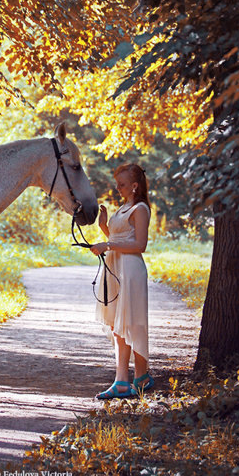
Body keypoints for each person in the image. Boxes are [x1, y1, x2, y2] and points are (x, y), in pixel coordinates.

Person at [90, 163, 154, 399]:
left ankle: (141, 375)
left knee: (132, 322)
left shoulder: (140, 209)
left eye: (122, 184)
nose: (118, 188)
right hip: (115, 268)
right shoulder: (124, 208)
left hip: (131, 270)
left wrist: (107, 245)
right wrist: (105, 227)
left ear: (135, 186)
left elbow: (140, 245)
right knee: (118, 326)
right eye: (117, 183)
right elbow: (119, 238)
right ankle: (121, 380)